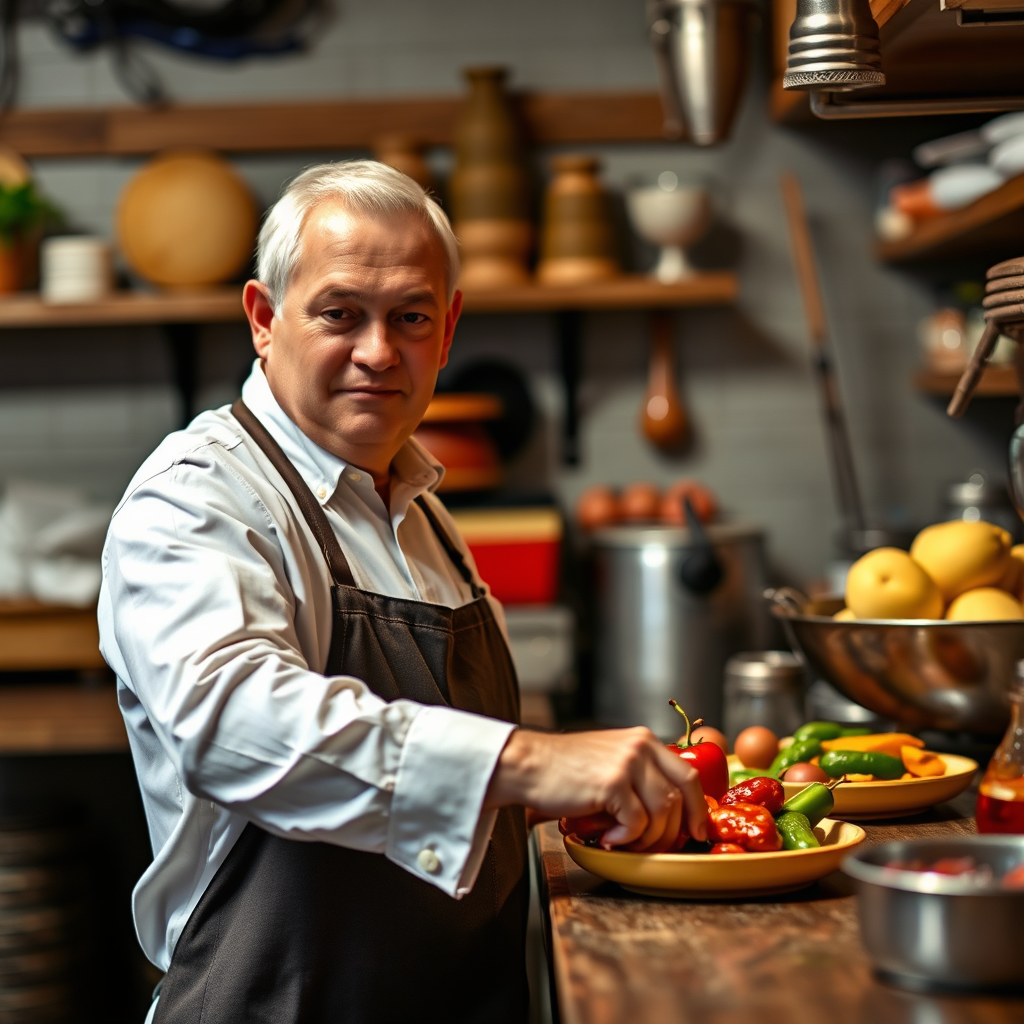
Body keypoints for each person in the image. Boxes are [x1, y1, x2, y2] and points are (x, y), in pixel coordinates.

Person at [98, 160, 707, 1024]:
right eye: (340, 314)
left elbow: (445, 781)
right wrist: (533, 758)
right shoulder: (198, 495)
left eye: (411, 317)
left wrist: (587, 784)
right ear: (265, 319)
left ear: (448, 331)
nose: (380, 352)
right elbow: (229, 723)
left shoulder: (422, 510)